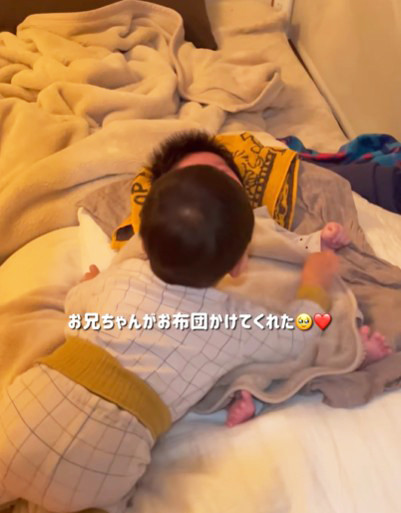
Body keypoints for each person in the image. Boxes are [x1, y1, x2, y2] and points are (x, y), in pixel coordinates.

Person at [0, 159, 390, 513]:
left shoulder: (117, 279)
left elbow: (75, 309)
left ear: (143, 240)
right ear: (239, 265)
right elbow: (299, 333)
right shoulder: (228, 323)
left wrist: (90, 283)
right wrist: (314, 284)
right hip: (105, 464)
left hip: (21, 419)